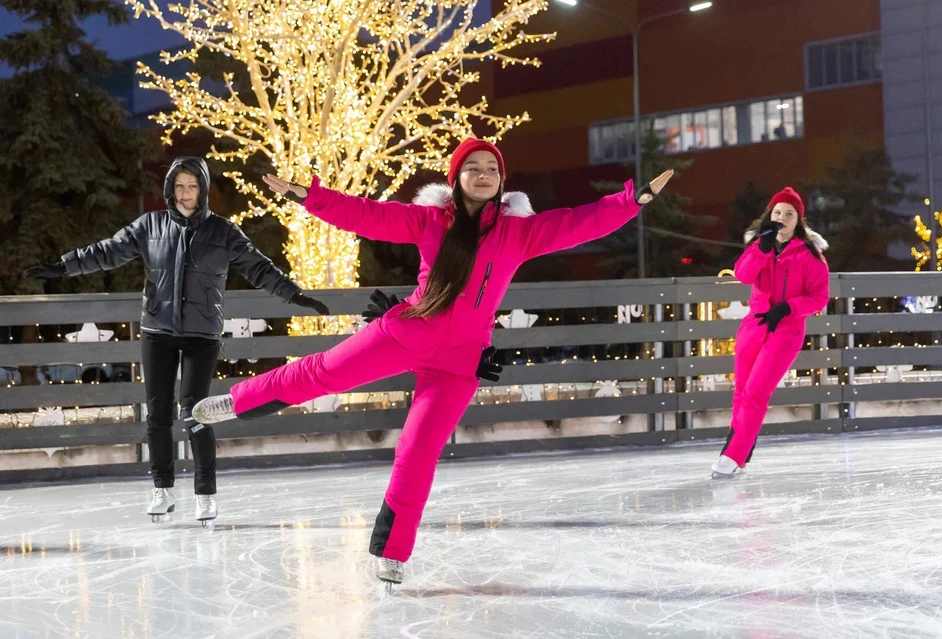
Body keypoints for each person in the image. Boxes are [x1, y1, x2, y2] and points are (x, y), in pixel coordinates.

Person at [192, 137, 673, 584]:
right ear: (457, 175)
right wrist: (310, 196)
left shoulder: (519, 233)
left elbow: (579, 222)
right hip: (408, 331)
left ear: (502, 182)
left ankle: (392, 552)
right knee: (326, 372)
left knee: (419, 452)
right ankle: (237, 401)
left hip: (461, 360)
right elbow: (367, 215)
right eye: (473, 167)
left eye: (492, 168)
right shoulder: (429, 221)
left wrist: (632, 200)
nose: (484, 174)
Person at [24, 156, 328, 524]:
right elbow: (107, 251)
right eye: (179, 186)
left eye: (192, 186)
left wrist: (295, 295)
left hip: (202, 334)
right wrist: (62, 265)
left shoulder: (223, 231)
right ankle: (162, 488)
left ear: (202, 190)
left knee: (197, 413)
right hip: (158, 330)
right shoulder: (150, 226)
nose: (185, 194)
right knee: (158, 415)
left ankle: (205, 494)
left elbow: (260, 268)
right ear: (171, 189)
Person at [711, 187, 829, 478]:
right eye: (778, 212)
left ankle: (733, 455)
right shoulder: (760, 246)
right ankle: (739, 450)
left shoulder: (810, 254)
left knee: (755, 394)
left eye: (789, 214)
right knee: (740, 393)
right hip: (753, 327)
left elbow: (819, 297)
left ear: (798, 220)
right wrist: (760, 250)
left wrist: (788, 308)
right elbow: (742, 275)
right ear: (770, 216)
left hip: (785, 331)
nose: (782, 217)